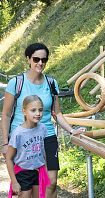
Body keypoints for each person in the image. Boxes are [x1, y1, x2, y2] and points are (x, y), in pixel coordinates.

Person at [1, 43, 85, 198]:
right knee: (27, 187)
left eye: (44, 60)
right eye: (36, 59)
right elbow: (5, 114)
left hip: (46, 135)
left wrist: (72, 130)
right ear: (28, 59)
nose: (40, 63)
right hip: (22, 137)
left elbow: (57, 113)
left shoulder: (51, 83)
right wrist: (5, 142)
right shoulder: (16, 83)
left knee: (51, 182)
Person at [6, 95, 50, 198]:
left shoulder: (42, 128)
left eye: (40, 110)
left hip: (38, 171)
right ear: (24, 111)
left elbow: (43, 151)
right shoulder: (18, 133)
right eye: (33, 110)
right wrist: (14, 182)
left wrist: (46, 168)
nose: (38, 113)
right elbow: (9, 158)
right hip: (23, 173)